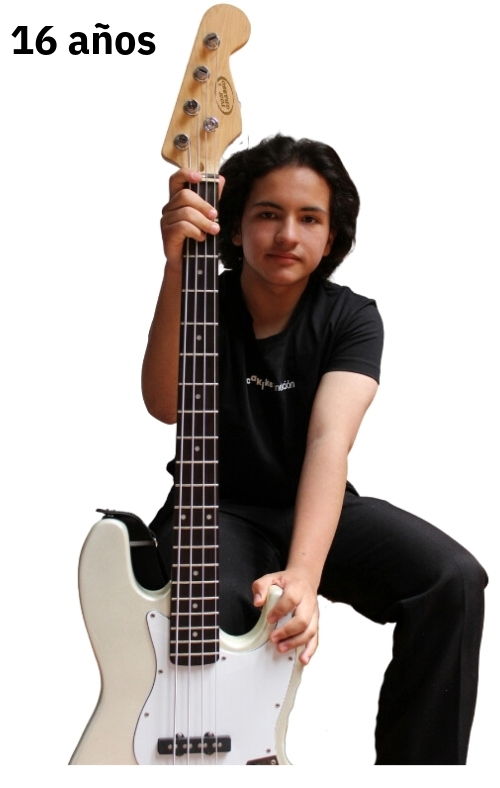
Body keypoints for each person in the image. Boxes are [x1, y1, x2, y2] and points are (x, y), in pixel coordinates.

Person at [141, 134, 487, 765]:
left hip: (315, 501)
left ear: (331, 240)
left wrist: (303, 573)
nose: (287, 234)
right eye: (267, 214)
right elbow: (165, 403)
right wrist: (176, 268)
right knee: (209, 604)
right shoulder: (203, 298)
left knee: (452, 581)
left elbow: (330, 440)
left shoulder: (352, 318)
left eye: (309, 219)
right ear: (234, 227)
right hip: (214, 508)